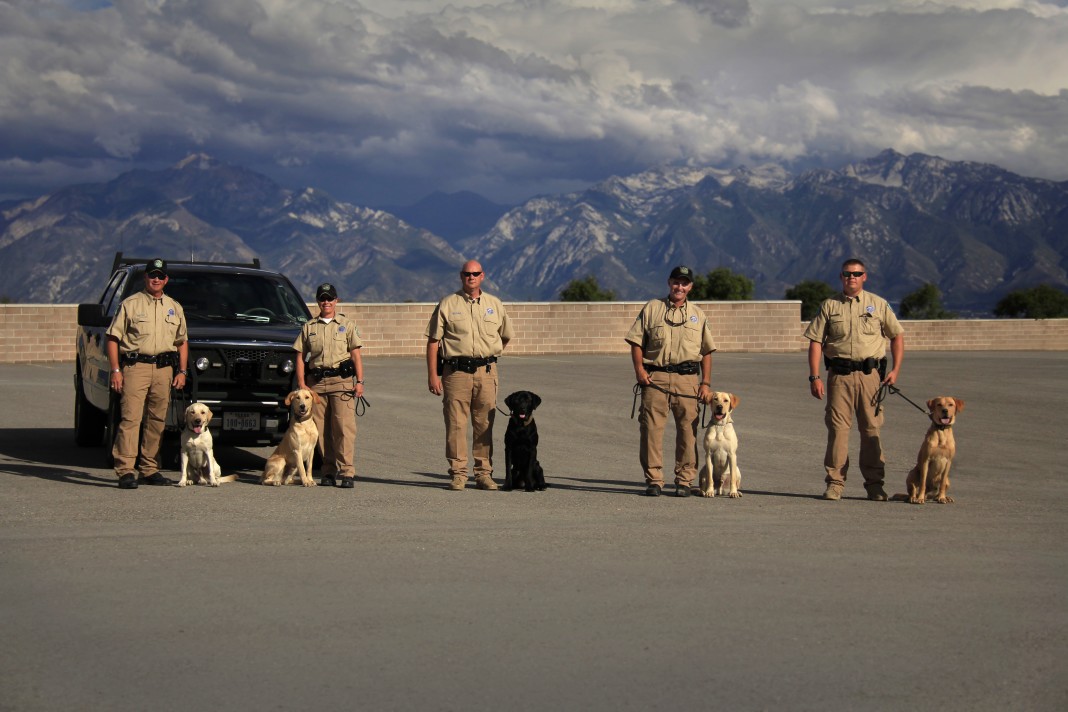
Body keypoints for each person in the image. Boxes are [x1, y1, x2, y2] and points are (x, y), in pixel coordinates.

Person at [804, 258, 905, 501]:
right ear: (841, 276)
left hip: (870, 377)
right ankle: (835, 483)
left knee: (871, 429)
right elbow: (815, 342)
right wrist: (814, 376)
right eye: (848, 274)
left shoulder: (878, 304)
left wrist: (896, 370)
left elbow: (897, 336)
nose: (852, 278)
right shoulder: (830, 306)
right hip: (839, 376)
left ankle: (874, 484)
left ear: (865, 276)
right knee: (838, 431)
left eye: (857, 274)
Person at [625, 265, 717, 497]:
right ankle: (654, 480)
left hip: (687, 380)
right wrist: (639, 370)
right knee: (651, 431)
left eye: (684, 283)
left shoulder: (698, 314)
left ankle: (684, 480)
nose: (680, 287)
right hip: (655, 377)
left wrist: (705, 382)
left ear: (690, 287)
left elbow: (706, 351)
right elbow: (636, 342)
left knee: (688, 432)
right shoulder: (652, 308)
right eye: (676, 282)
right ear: (669, 283)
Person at [425, 260, 514, 491]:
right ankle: (458, 474)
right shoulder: (448, 303)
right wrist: (433, 376)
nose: (471, 277)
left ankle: (484, 474)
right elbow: (433, 342)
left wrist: (489, 353)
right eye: (467, 274)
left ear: (482, 276)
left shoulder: (494, 304)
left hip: (486, 372)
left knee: (484, 424)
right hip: (456, 373)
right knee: (455, 424)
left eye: (475, 274)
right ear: (461, 276)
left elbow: (505, 336)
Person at [106, 258, 188, 489]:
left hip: (164, 370)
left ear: (166, 280)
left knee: (157, 420)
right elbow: (113, 338)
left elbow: (182, 341)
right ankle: (125, 470)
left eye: (160, 276)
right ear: (145, 277)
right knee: (131, 419)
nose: (156, 279)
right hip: (136, 367)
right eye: (152, 275)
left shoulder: (174, 307)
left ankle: (149, 468)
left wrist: (182, 371)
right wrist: (115, 370)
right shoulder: (130, 305)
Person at [294, 282, 364, 489]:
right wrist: (301, 384)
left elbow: (356, 355)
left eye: (330, 298)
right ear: (318, 301)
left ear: (336, 301)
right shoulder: (309, 327)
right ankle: (328, 470)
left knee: (344, 428)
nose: (326, 302)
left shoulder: (346, 325)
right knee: (322, 430)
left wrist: (359, 382)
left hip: (341, 383)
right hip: (317, 384)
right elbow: (300, 356)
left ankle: (347, 471)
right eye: (322, 298)